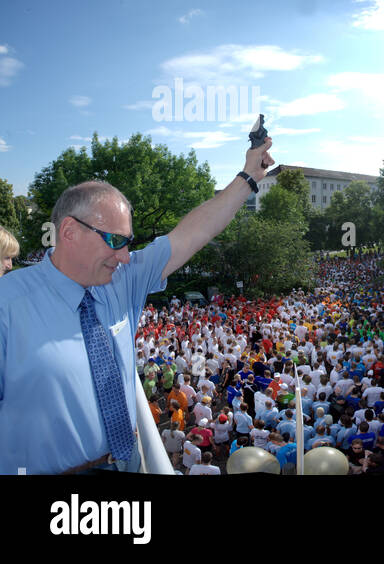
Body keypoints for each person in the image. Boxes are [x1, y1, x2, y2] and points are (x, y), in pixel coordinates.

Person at [0, 137, 274, 474]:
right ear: (69, 231)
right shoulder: (7, 304)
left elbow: (192, 234)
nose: (126, 256)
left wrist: (248, 177)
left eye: (128, 243)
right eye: (115, 241)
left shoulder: (123, 280)